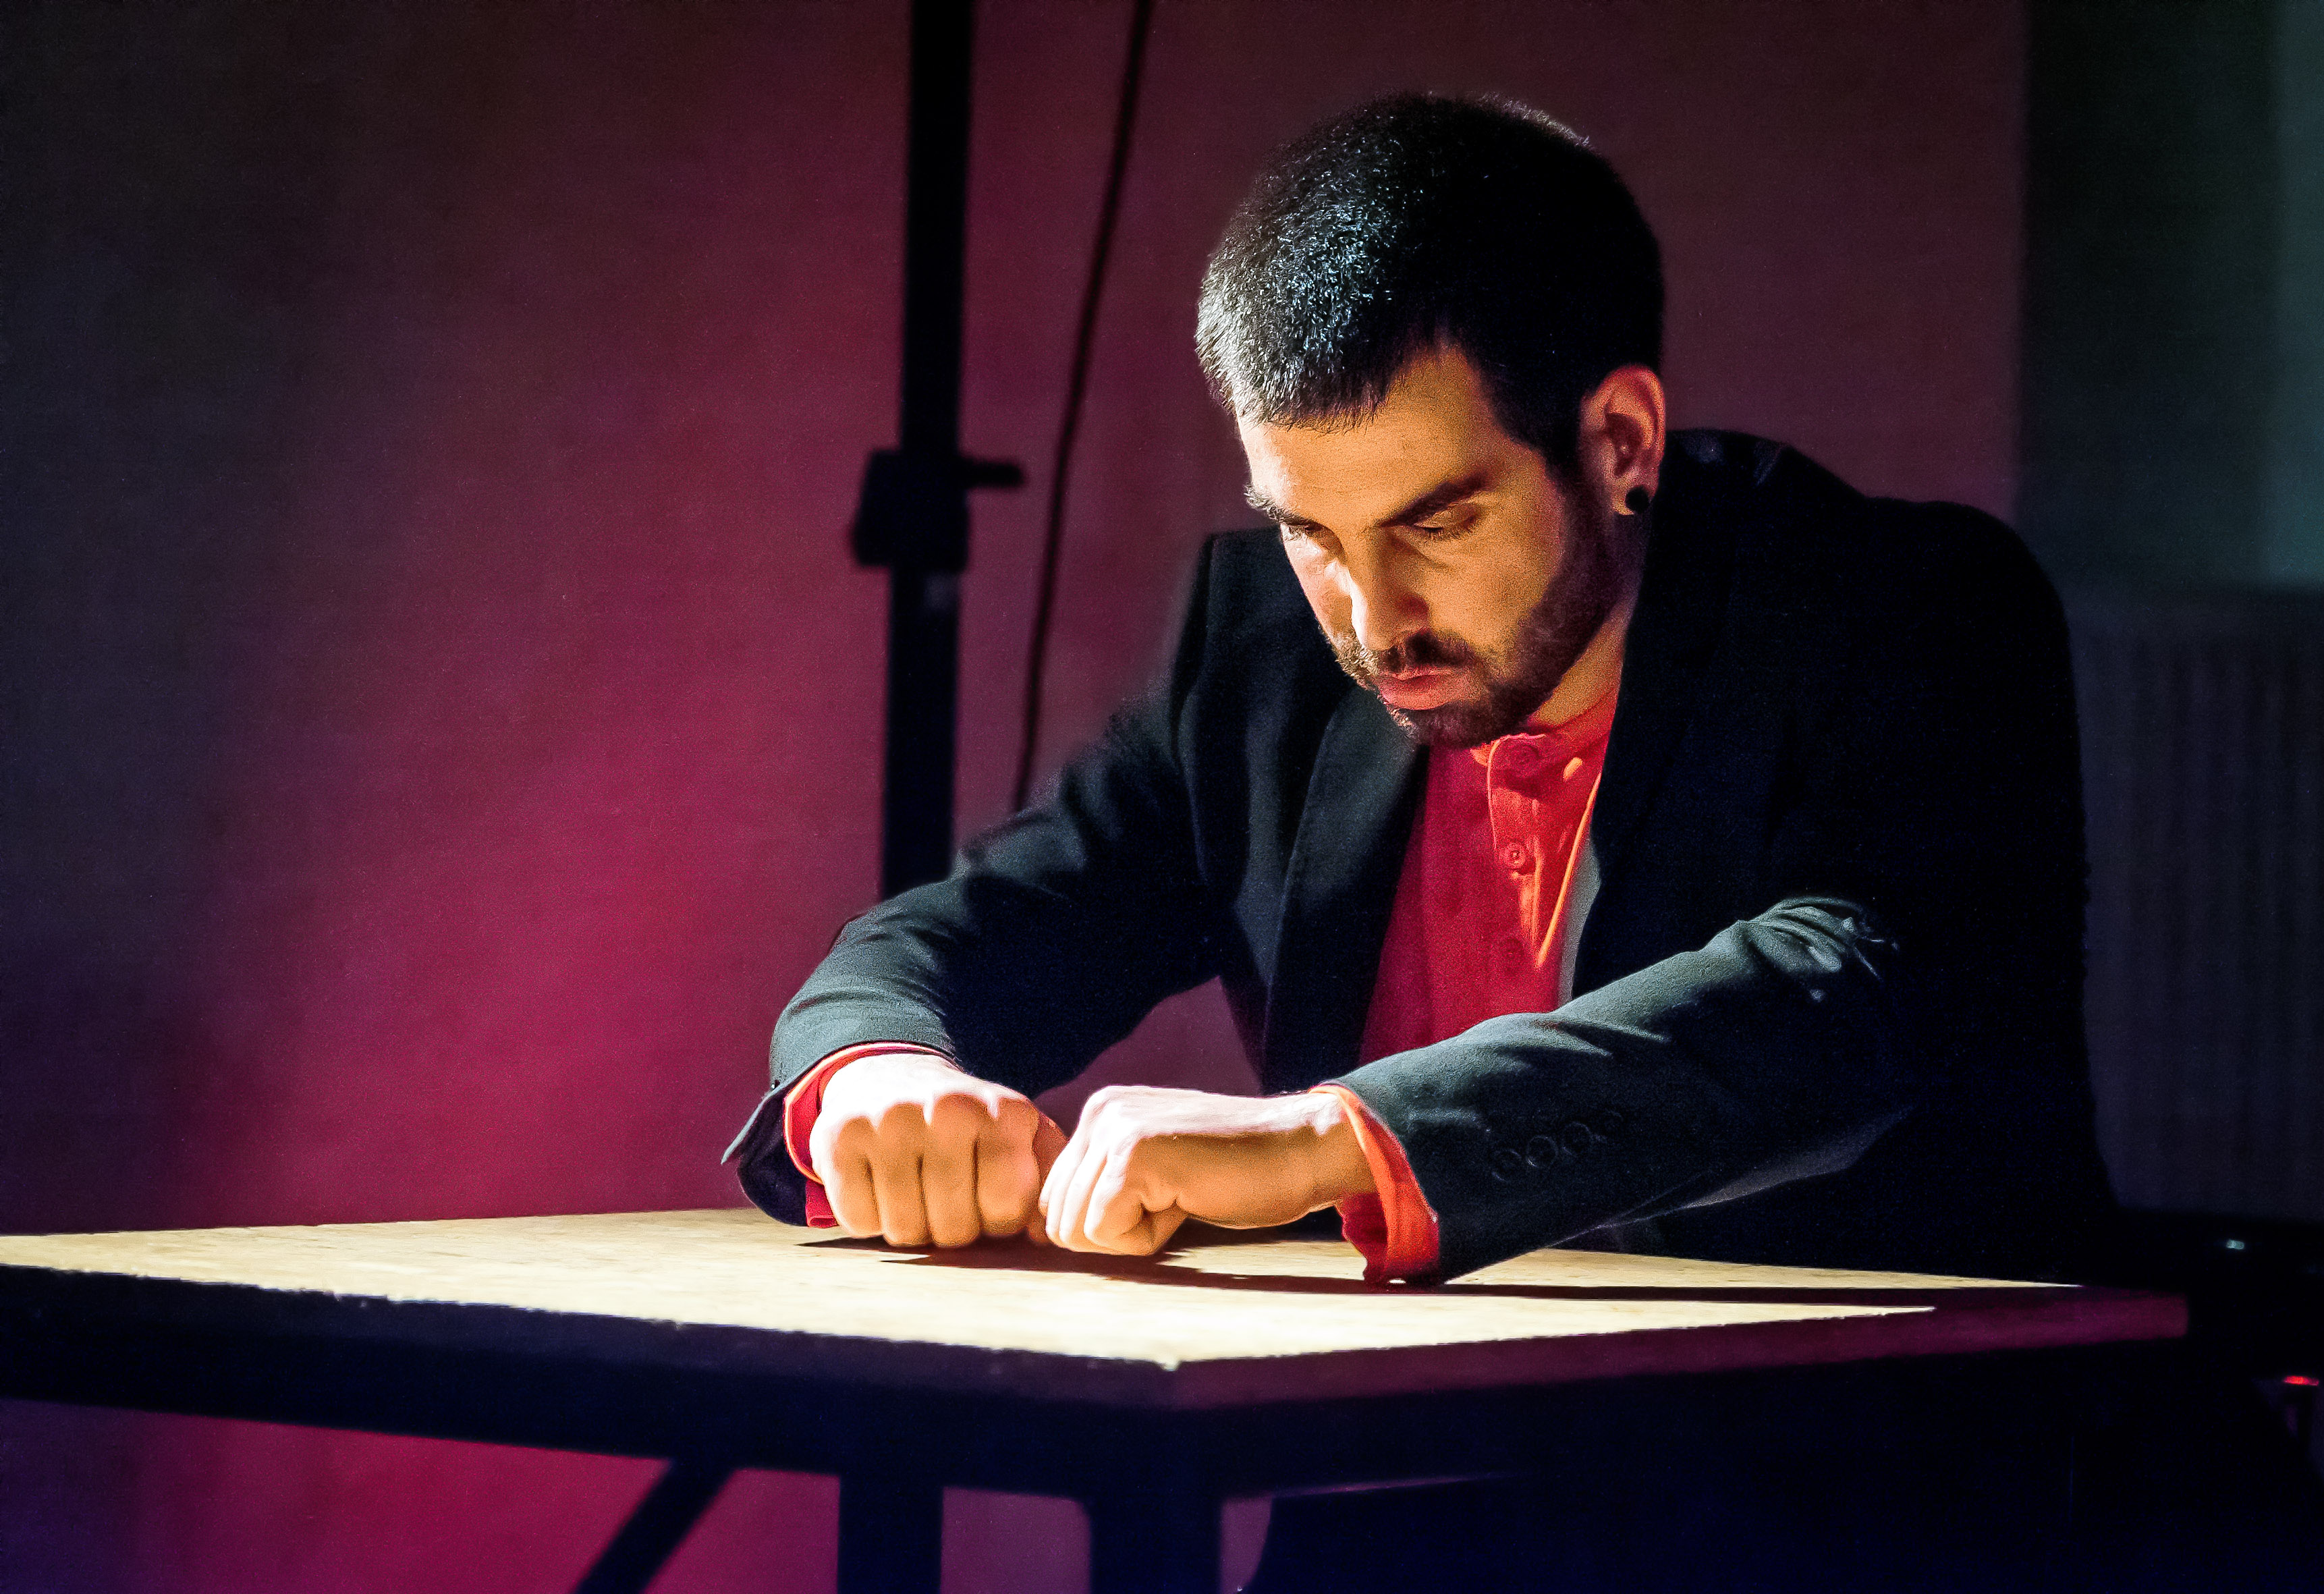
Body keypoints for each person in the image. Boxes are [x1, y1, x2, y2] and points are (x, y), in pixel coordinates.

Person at [725, 92, 2113, 1296]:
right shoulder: (1264, 652)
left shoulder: (1903, 605)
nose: (1372, 616)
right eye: (1310, 532)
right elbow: (975, 930)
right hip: (1401, 1462)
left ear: (1621, 440)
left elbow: (1846, 998)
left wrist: (1336, 1135)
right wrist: (881, 1072)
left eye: (1436, 524)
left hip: (1851, 1464)